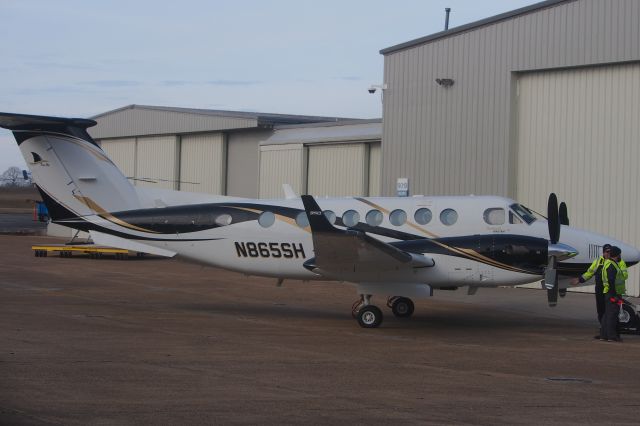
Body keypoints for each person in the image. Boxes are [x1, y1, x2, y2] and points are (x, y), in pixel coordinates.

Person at [572, 244, 611, 331]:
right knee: (600, 309)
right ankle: (603, 326)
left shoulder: (614, 262)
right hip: (600, 289)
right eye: (607, 252)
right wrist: (580, 279)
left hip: (610, 290)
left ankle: (610, 327)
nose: (608, 254)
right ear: (604, 253)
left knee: (610, 309)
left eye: (610, 252)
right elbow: (589, 272)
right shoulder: (598, 261)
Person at [600, 246, 627, 342]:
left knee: (607, 314)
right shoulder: (612, 265)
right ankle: (611, 336)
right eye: (619, 254)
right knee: (612, 314)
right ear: (617, 254)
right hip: (612, 293)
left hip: (609, 292)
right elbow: (611, 280)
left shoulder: (608, 263)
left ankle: (603, 335)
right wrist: (615, 294)